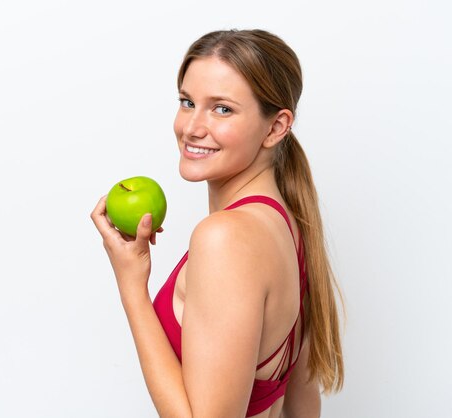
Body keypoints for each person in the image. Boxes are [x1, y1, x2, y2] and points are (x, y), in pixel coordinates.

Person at [91, 29, 344, 418]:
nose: (192, 127)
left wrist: (132, 287)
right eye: (187, 102)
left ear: (276, 127)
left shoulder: (225, 238)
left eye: (222, 108)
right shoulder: (288, 225)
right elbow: (302, 405)